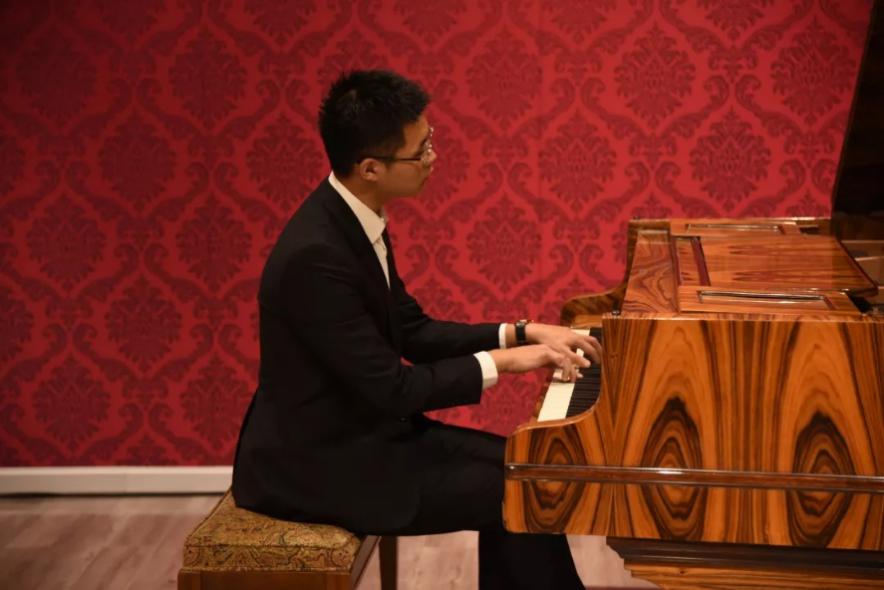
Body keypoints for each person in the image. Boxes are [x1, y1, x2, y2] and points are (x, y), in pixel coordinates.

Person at [232, 69, 602, 589]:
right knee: (517, 489)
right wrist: (506, 362)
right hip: (318, 465)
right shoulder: (316, 256)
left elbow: (414, 331)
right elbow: (394, 388)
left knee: (527, 467)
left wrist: (523, 332)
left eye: (430, 141)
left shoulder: (353, 216)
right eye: (420, 151)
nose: (433, 157)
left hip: (364, 435)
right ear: (370, 168)